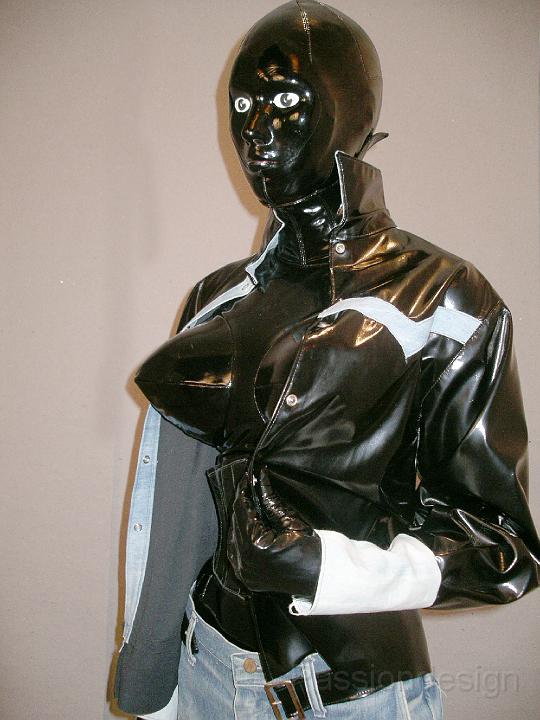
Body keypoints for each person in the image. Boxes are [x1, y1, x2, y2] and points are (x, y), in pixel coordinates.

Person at [113, 2, 540, 719]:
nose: (255, 130)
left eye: (285, 101)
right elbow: (177, 510)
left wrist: (324, 566)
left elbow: (504, 549)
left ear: (352, 110)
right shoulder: (216, 299)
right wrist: (154, 682)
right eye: (242, 105)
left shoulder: (445, 298)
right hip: (205, 666)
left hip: (342, 696)